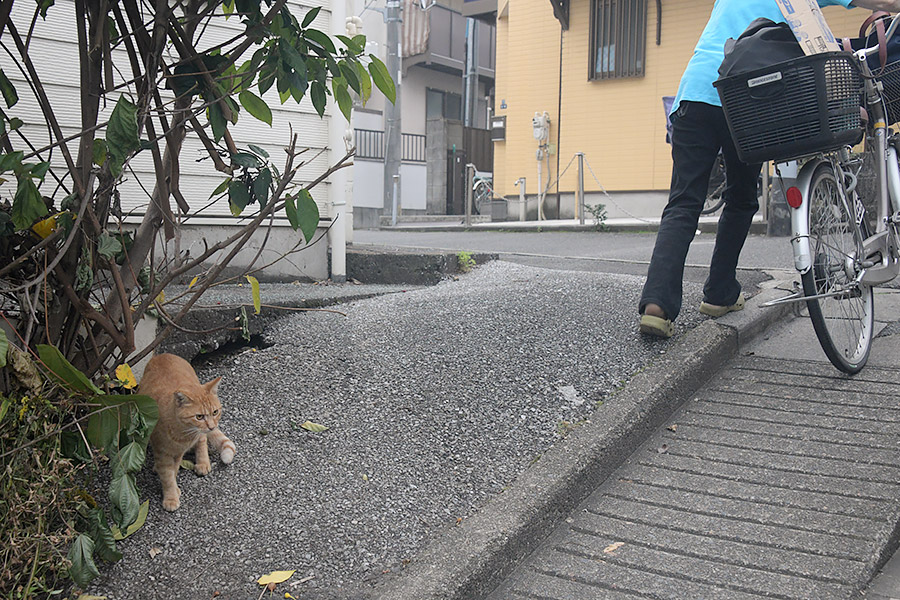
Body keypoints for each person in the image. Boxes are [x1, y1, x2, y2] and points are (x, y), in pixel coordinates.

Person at [638, 0, 900, 339]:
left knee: (684, 202)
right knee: (742, 198)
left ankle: (657, 305)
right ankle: (719, 293)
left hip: (693, 95)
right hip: (743, 96)